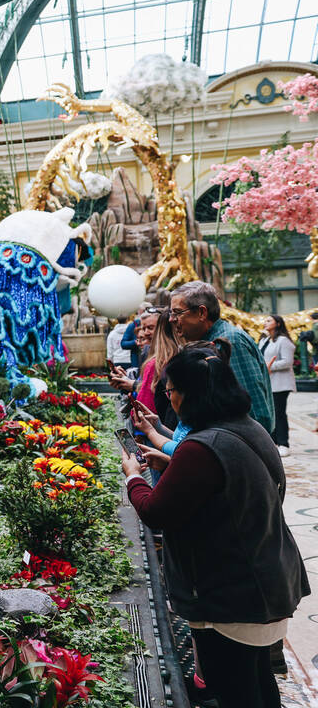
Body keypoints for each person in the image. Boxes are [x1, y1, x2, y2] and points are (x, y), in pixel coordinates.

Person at [121, 340, 309, 708]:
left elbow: (155, 510)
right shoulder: (247, 427)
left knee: (236, 692)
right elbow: (223, 486)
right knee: (257, 682)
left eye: (170, 390)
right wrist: (173, 467)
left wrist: (133, 477)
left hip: (232, 597)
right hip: (266, 578)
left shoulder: (201, 447)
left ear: (190, 394)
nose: (168, 398)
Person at [169, 281, 274, 435]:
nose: (172, 319)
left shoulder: (230, 341)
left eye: (177, 312)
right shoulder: (209, 342)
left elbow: (255, 411)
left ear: (201, 313)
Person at [260, 315, 296, 456]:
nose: (265, 322)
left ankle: (283, 444)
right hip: (268, 382)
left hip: (281, 383)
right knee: (270, 413)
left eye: (269, 320)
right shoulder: (264, 340)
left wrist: (269, 367)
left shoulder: (283, 341)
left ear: (278, 323)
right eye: (265, 320)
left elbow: (287, 362)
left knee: (279, 413)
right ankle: (273, 442)